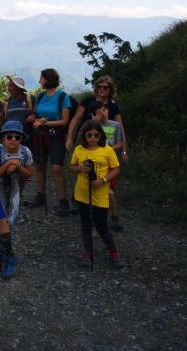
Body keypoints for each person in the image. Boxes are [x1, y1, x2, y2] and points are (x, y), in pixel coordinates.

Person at [69, 120, 123, 268]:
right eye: (89, 135)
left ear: (101, 135)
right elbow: (72, 167)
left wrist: (104, 180)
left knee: (101, 225)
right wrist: (80, 168)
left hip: (100, 194)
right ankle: (87, 252)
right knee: (85, 223)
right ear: (84, 136)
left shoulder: (107, 149)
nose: (93, 138)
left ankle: (114, 252)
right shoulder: (79, 149)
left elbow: (116, 168)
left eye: (96, 135)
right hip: (82, 193)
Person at [0, 120, 33, 279]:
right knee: (1, 219)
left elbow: (29, 174)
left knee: (0, 221)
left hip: (11, 189)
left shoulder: (25, 152)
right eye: (9, 136)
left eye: (17, 137)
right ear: (3, 138)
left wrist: (18, 167)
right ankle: (9, 257)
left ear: (21, 139)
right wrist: (9, 164)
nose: (13, 139)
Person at [31, 68, 72, 215]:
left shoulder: (63, 97)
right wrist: (37, 121)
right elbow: (35, 114)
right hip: (40, 135)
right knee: (40, 166)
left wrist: (45, 123)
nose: (39, 81)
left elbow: (64, 121)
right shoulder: (40, 96)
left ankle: (63, 201)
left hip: (56, 136)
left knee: (57, 168)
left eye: (41, 78)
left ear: (48, 79)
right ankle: (41, 195)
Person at [65, 75, 128, 164]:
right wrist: (69, 138)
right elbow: (75, 119)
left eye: (105, 87)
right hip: (85, 139)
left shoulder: (113, 106)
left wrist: (124, 151)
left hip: (105, 145)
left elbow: (121, 129)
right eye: (99, 86)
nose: (102, 89)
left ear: (110, 89)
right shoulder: (87, 101)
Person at [89, 101, 124, 231]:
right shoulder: (93, 126)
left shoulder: (116, 125)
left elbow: (119, 144)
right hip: (95, 162)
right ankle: (94, 216)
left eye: (105, 110)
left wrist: (107, 150)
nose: (104, 113)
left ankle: (114, 216)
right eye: (100, 111)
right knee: (94, 189)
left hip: (110, 162)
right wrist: (95, 122)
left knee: (109, 191)